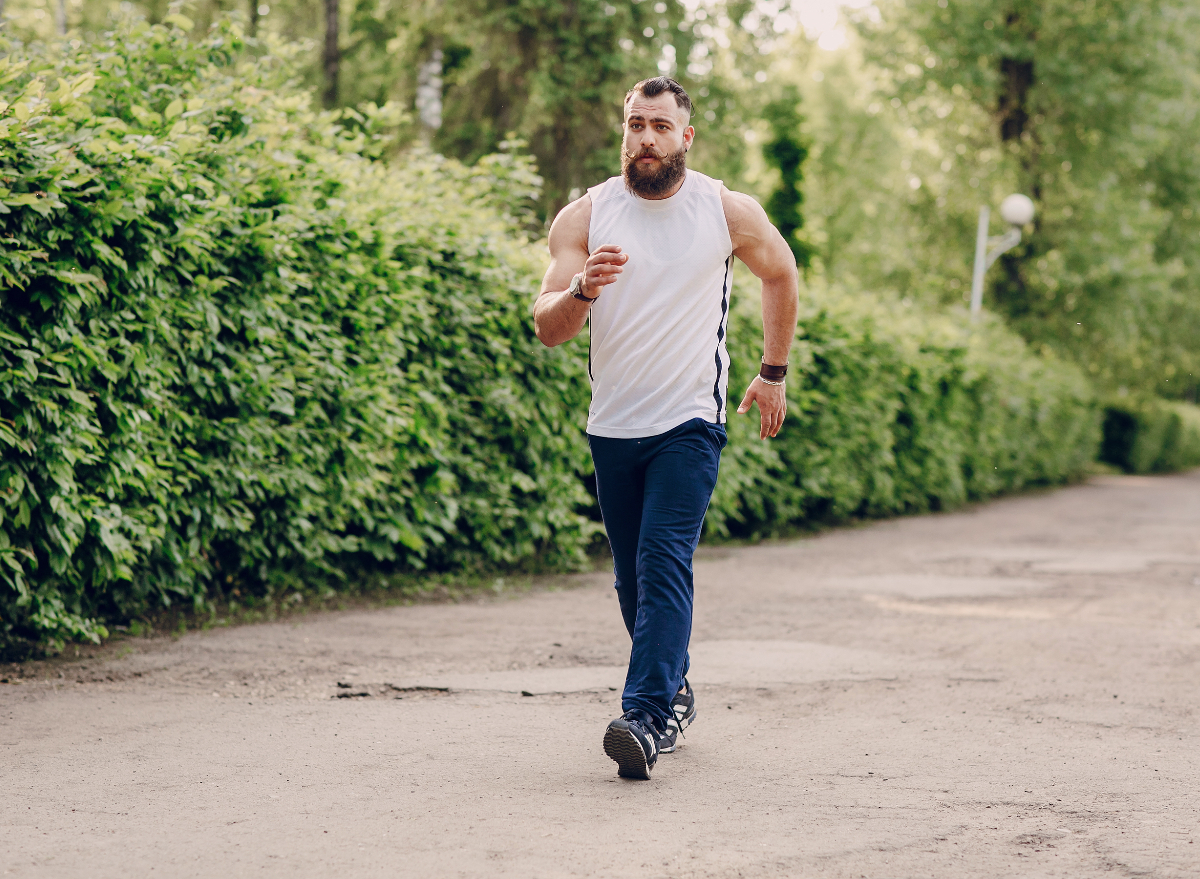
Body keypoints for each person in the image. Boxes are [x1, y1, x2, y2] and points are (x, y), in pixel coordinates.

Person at [534, 76, 800, 780]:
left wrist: (772, 371)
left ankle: (646, 717)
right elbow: (548, 327)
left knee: (661, 560)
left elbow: (781, 271)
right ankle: (673, 685)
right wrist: (582, 289)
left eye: (659, 125)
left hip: (690, 421)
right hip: (613, 425)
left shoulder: (724, 209)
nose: (645, 137)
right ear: (622, 133)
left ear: (686, 137)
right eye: (634, 125)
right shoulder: (586, 216)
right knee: (631, 578)